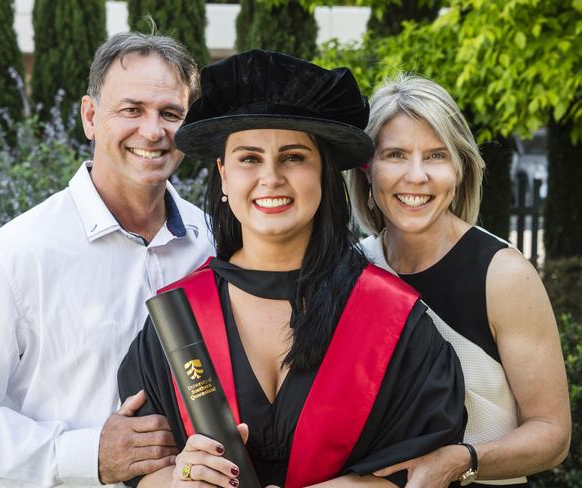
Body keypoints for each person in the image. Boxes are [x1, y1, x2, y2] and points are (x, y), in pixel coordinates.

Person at [118, 49, 467, 488]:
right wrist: (178, 479)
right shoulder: (178, 317)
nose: (271, 178)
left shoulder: (390, 318)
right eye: (249, 159)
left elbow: (421, 470)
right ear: (224, 176)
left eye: (293, 157)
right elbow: (143, 473)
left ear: (323, 172)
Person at [0, 32, 214, 487]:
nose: (153, 130)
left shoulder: (215, 243)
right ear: (90, 116)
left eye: (171, 114)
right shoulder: (16, 255)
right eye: (131, 110)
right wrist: (83, 455)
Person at [347, 75, 571, 487]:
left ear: (460, 168)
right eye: (396, 154)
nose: (416, 176)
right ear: (367, 168)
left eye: (435, 156)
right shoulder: (353, 267)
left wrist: (461, 460)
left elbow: (552, 435)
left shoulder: (503, 275)